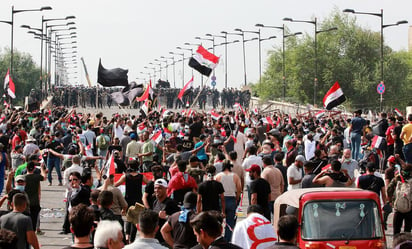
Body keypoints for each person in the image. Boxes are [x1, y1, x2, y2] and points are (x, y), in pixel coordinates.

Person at [114, 159, 148, 243]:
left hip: (128, 199)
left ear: (129, 166)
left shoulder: (125, 176)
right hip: (138, 200)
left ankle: (127, 235)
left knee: (129, 218)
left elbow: (116, 185)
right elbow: (149, 184)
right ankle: (132, 240)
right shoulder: (141, 176)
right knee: (135, 220)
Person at [215, 160, 242, 241]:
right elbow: (239, 188)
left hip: (221, 199)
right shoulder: (235, 176)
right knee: (230, 221)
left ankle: (218, 237)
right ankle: (227, 239)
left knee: (218, 220)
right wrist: (237, 198)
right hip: (231, 198)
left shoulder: (218, 176)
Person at [387, 160, 412, 235]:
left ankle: (396, 244)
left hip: (398, 209)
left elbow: (389, 189)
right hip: (409, 209)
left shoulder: (397, 178)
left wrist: (391, 201)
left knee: (396, 231)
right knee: (407, 231)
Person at [152, 178, 180, 244]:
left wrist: (166, 217)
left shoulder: (171, 203)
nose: (157, 190)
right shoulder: (155, 202)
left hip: (167, 241)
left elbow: (178, 221)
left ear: (166, 189)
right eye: (155, 188)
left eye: (160, 188)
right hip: (156, 240)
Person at [24, 161, 46, 231]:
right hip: (35, 203)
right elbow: (44, 177)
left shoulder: (23, 178)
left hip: (25, 203)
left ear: (26, 168)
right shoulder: (36, 177)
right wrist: (42, 168)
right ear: (34, 169)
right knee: (33, 221)